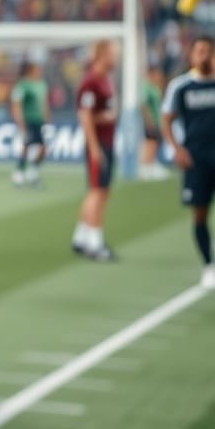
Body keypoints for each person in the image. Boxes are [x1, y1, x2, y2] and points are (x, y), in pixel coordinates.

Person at [162, 36, 215, 289]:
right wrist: (176, 148)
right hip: (195, 158)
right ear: (191, 55)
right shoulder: (181, 86)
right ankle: (208, 266)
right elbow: (167, 119)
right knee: (200, 214)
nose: (203, 56)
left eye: (208, 52)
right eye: (199, 51)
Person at [73, 40, 119, 262]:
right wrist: (94, 148)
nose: (116, 56)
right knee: (98, 191)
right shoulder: (91, 82)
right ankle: (95, 242)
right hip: (98, 144)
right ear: (102, 54)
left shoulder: (105, 80)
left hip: (106, 142)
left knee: (101, 190)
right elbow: (85, 115)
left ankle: (81, 237)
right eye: (113, 52)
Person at [11, 61, 51, 188]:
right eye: (37, 70)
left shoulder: (42, 85)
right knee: (26, 146)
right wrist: (20, 122)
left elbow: (44, 103)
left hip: (40, 121)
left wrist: (47, 117)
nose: (39, 72)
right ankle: (19, 173)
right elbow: (16, 105)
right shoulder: (22, 86)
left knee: (44, 148)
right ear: (30, 71)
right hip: (28, 120)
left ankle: (33, 170)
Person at [141, 68, 170, 181]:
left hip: (157, 120)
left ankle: (151, 165)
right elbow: (144, 105)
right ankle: (146, 167)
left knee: (155, 142)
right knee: (151, 142)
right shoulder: (146, 87)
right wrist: (149, 121)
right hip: (152, 121)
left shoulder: (154, 86)